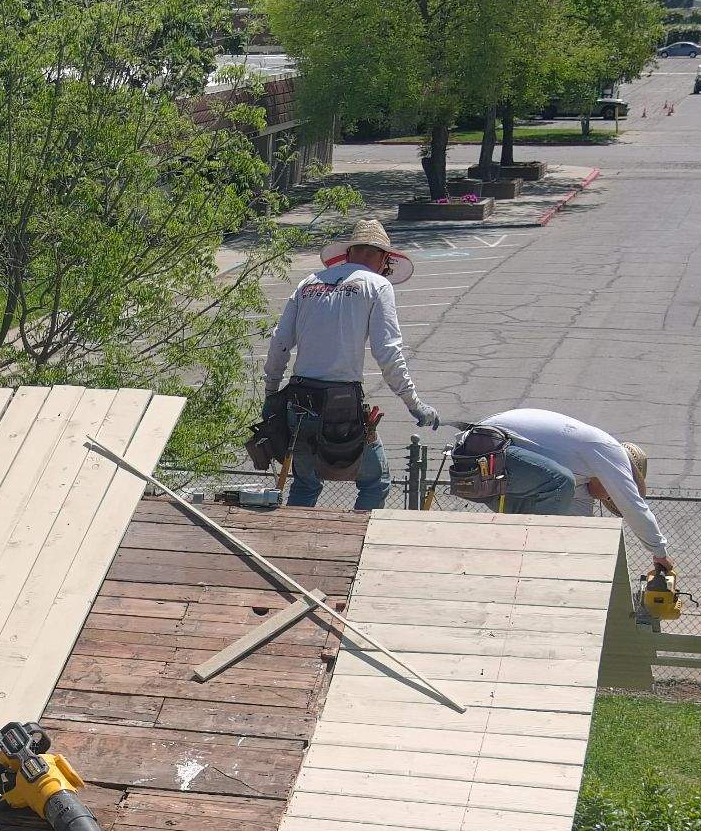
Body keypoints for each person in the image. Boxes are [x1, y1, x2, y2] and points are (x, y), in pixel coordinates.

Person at [252, 216, 440, 510]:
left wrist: (271, 391)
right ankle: (356, 542)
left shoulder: (308, 284)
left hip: (298, 399)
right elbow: (388, 351)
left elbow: (279, 343)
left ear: (349, 252)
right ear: (382, 259)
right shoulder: (377, 285)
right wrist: (415, 405)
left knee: (305, 482)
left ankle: (295, 545)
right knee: (375, 482)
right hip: (341, 406)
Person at [448, 406, 676, 582]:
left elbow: (580, 529)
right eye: (609, 495)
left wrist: (587, 570)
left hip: (487, 473)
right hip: (481, 454)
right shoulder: (609, 452)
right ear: (611, 478)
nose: (602, 498)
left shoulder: (577, 475)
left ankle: (511, 563)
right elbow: (632, 506)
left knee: (555, 492)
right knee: (560, 482)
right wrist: (659, 552)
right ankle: (528, 561)